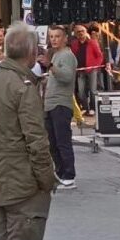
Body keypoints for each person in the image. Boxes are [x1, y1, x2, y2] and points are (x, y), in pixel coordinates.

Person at [0, 22, 56, 240]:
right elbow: (37, 140)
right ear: (32, 52)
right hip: (23, 180)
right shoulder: (22, 86)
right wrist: (46, 179)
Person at [44, 26, 78, 190]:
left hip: (61, 104)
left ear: (65, 38)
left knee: (62, 141)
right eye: (51, 36)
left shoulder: (67, 55)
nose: (54, 39)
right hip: (50, 104)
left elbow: (66, 77)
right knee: (52, 141)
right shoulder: (56, 54)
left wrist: (50, 66)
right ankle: (60, 172)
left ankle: (69, 175)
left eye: (57, 36)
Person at [70, 24, 103, 115]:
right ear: (75, 34)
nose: (80, 33)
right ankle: (85, 107)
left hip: (91, 69)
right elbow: (73, 55)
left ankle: (93, 108)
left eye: (82, 31)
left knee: (93, 90)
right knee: (81, 91)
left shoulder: (92, 42)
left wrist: (95, 66)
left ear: (86, 32)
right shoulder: (74, 44)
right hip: (80, 70)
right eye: (78, 32)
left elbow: (100, 56)